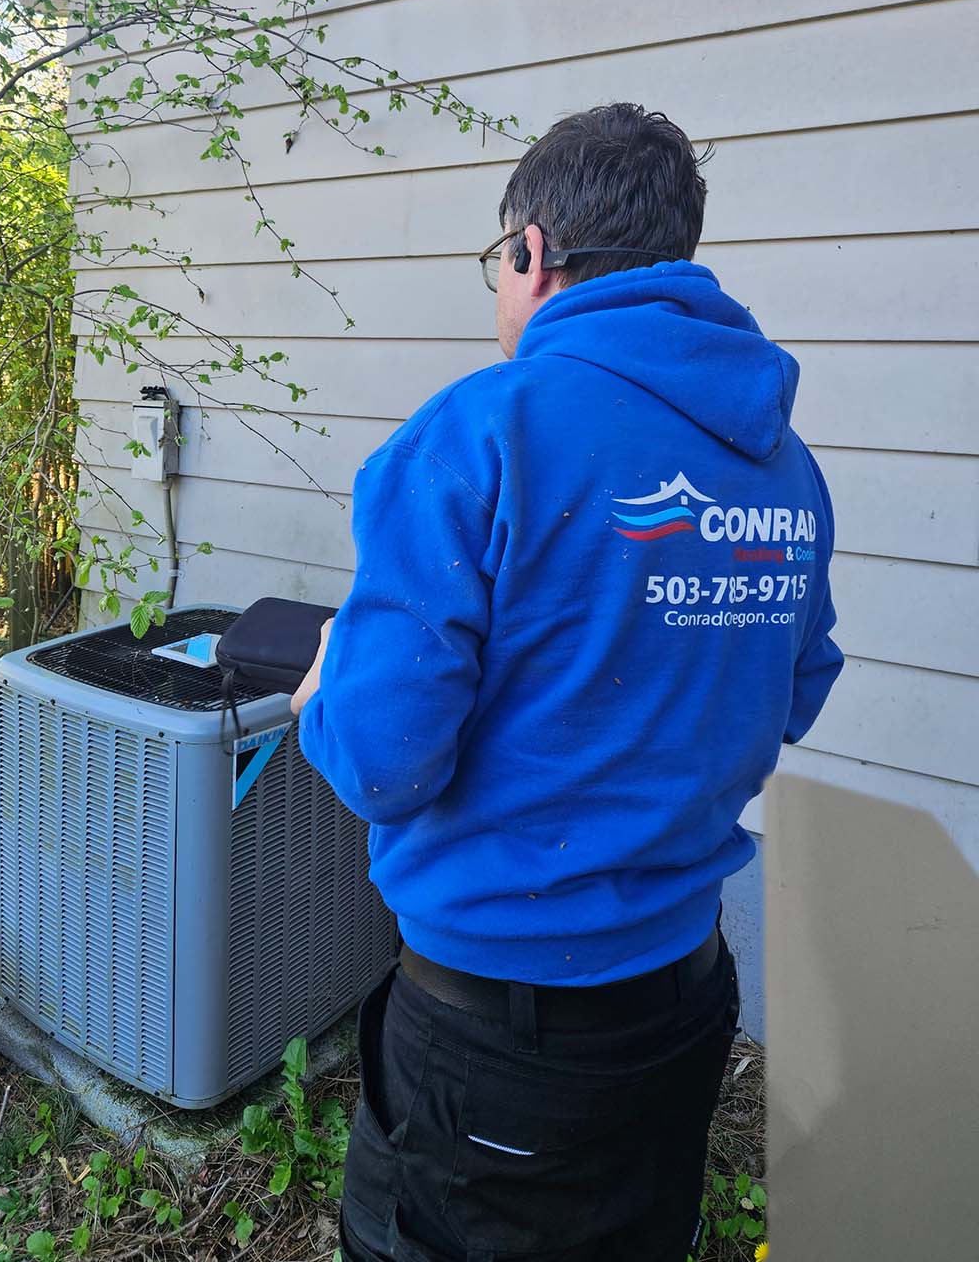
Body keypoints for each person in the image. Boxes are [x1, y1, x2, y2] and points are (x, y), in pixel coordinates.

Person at [291, 103, 843, 1262]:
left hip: (499, 1036)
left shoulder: (483, 431)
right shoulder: (782, 462)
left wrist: (322, 701)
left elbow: (386, 764)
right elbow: (796, 686)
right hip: (685, 996)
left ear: (532, 251)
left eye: (500, 260)